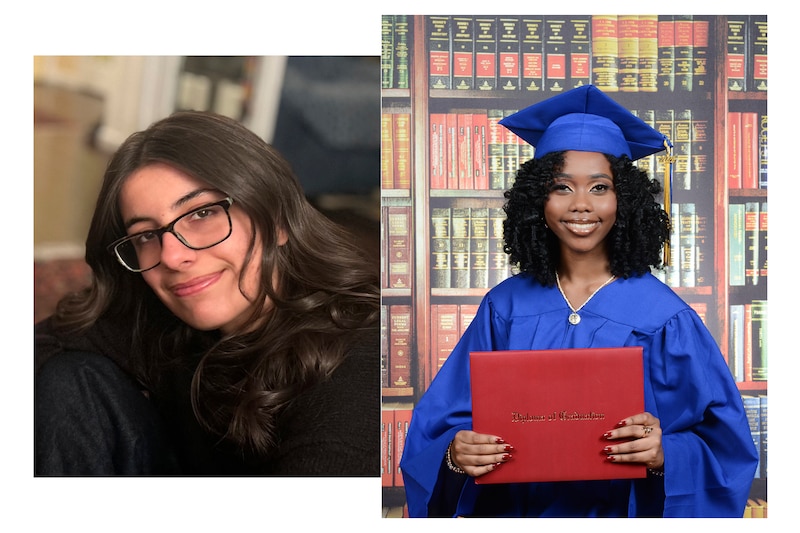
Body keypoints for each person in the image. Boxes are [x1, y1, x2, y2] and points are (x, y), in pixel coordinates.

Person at [399, 85, 758, 517]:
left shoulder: (663, 317)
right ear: (537, 200)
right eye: (562, 187)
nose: (582, 205)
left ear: (624, 199)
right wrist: (455, 454)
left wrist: (667, 455)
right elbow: (440, 423)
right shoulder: (505, 308)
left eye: (600, 187)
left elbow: (726, 448)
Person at [35, 110, 380, 476]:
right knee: (69, 380)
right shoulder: (173, 326)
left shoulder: (362, 364)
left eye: (202, 214)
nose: (172, 256)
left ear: (277, 220)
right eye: (146, 235)